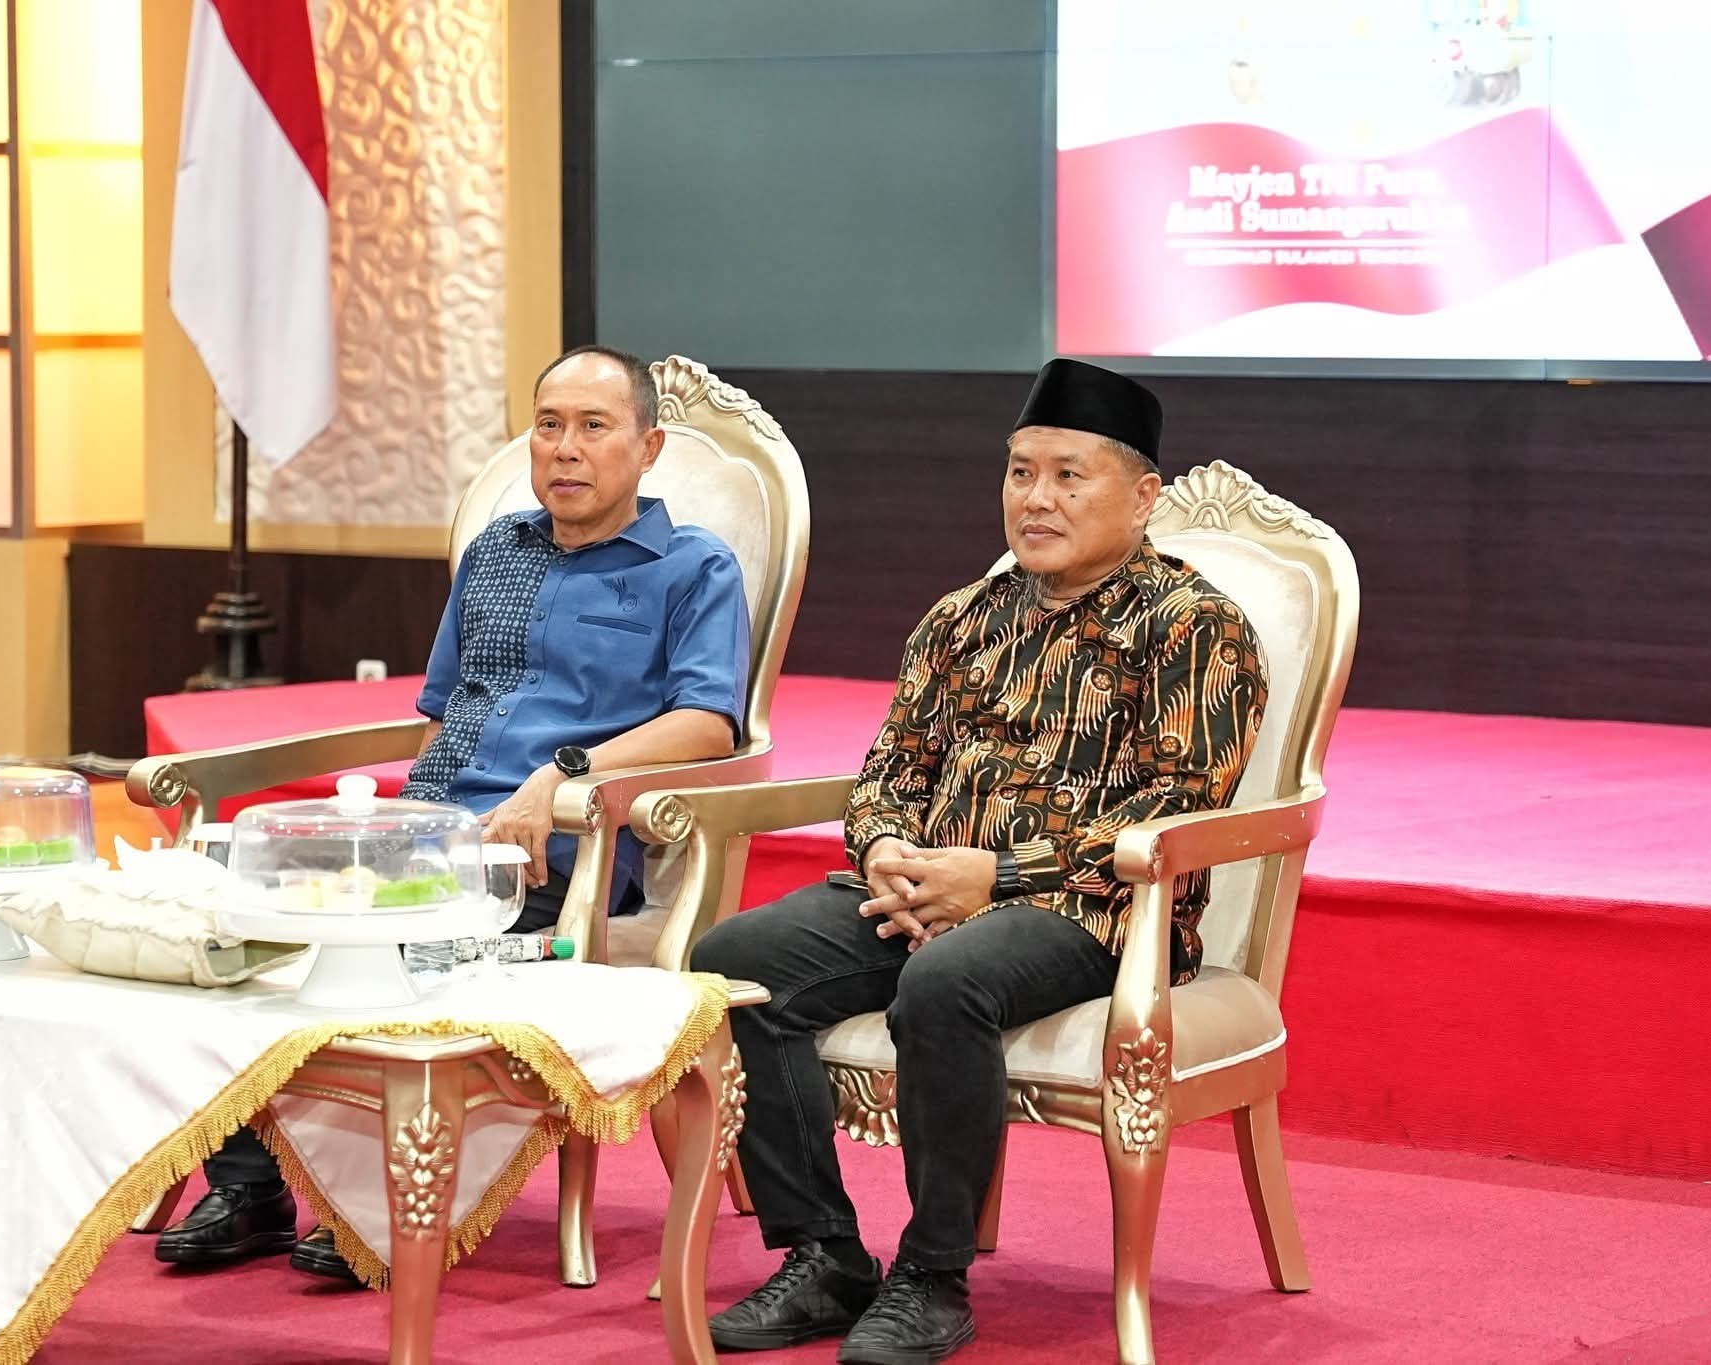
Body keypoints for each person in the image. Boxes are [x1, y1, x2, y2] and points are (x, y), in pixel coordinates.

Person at [691, 359, 1267, 1363]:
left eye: (1068, 476)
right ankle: (824, 1254)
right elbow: (887, 771)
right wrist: (886, 850)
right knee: (737, 961)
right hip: (926, 891)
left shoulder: (1194, 626)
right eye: (1020, 472)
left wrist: (992, 878)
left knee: (945, 981)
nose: (1036, 498)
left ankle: (932, 1275)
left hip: (1092, 916)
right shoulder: (962, 617)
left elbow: (1177, 807)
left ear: (1141, 498)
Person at [156, 345, 752, 1283]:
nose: (565, 447)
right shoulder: (496, 552)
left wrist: (559, 779)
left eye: (594, 427)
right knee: (232, 925)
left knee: (397, 963)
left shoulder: (691, 567)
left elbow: (710, 724)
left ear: (648, 448)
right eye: (548, 425)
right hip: (424, 840)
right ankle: (253, 1185)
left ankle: (374, 1205)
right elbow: (441, 714)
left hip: (554, 855)